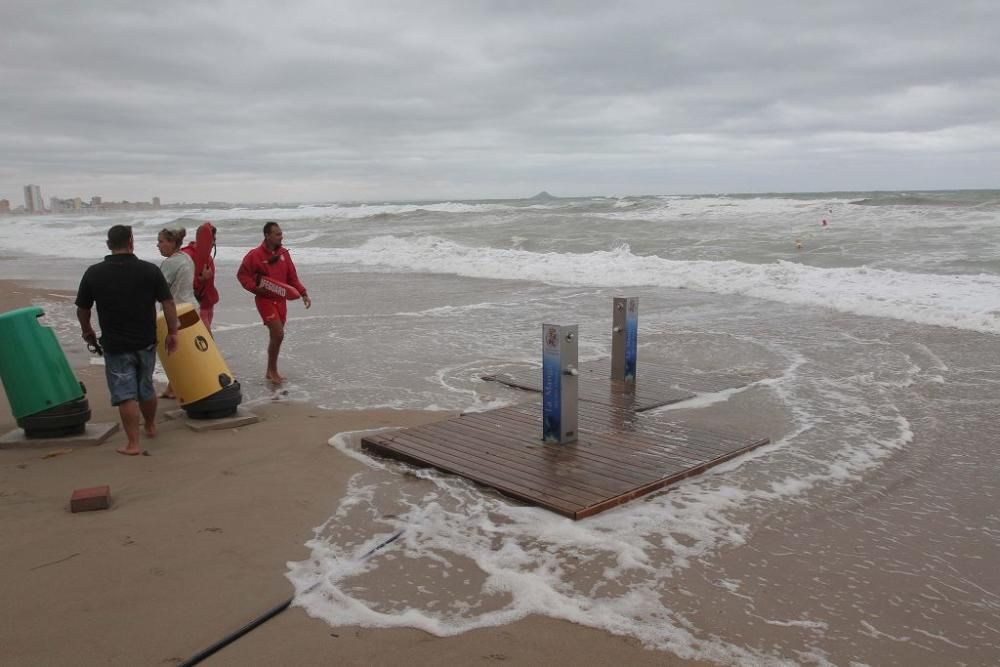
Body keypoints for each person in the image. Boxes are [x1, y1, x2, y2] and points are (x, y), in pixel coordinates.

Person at [75, 225, 179, 456]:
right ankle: (150, 426)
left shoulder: (94, 273)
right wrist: (173, 332)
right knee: (146, 387)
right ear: (131, 242)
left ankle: (133, 443)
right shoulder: (149, 270)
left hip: (116, 344)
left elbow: (83, 309)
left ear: (108, 244)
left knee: (125, 394)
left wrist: (87, 331)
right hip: (146, 341)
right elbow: (168, 303)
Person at [237, 221, 311, 385]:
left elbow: (292, 277)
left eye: (281, 233)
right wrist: (255, 288)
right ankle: (273, 371)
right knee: (278, 333)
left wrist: (303, 293)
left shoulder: (284, 254)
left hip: (281, 300)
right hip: (265, 299)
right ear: (267, 235)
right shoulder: (254, 255)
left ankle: (270, 370)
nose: (281, 236)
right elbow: (242, 276)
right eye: (277, 234)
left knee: (275, 337)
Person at [156, 225, 195, 399]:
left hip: (175, 311)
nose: (158, 245)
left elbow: (158, 289)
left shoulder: (170, 263)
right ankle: (172, 388)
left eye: (161, 241)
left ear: (172, 242)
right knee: (183, 352)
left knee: (172, 352)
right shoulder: (186, 257)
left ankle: (177, 388)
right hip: (191, 308)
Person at [180, 222, 219, 330]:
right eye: (212, 239)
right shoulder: (186, 255)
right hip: (194, 308)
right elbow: (180, 285)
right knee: (207, 344)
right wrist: (200, 280)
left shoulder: (209, 258)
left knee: (205, 343)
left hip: (207, 306)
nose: (213, 243)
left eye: (214, 240)